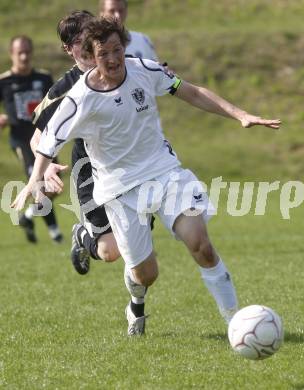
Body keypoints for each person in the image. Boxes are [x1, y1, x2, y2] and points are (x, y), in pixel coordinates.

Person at [12, 17, 281, 336]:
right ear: (89, 55)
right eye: (103, 54)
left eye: (117, 50)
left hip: (163, 173)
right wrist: (35, 179)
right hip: (118, 188)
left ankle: (235, 322)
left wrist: (240, 114)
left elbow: (191, 92)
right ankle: (135, 303)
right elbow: (46, 140)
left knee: (201, 245)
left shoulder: (145, 69)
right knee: (144, 273)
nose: (112, 59)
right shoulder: (77, 98)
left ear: (124, 47)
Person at [31, 9, 158, 276]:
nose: (87, 43)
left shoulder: (123, 65)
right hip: (90, 168)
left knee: (136, 246)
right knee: (110, 252)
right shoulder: (63, 90)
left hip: (133, 164)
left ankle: (137, 305)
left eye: (90, 34)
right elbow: (38, 139)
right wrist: (48, 166)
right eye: (78, 41)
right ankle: (82, 235)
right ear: (68, 49)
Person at [0, 35, 63, 243]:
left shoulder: (44, 78)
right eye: (20, 52)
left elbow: (57, 105)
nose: (24, 56)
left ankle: (27, 217)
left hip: (44, 139)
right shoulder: (4, 82)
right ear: (12, 54)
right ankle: (55, 234)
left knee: (54, 185)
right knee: (39, 184)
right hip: (21, 140)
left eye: (27, 51)